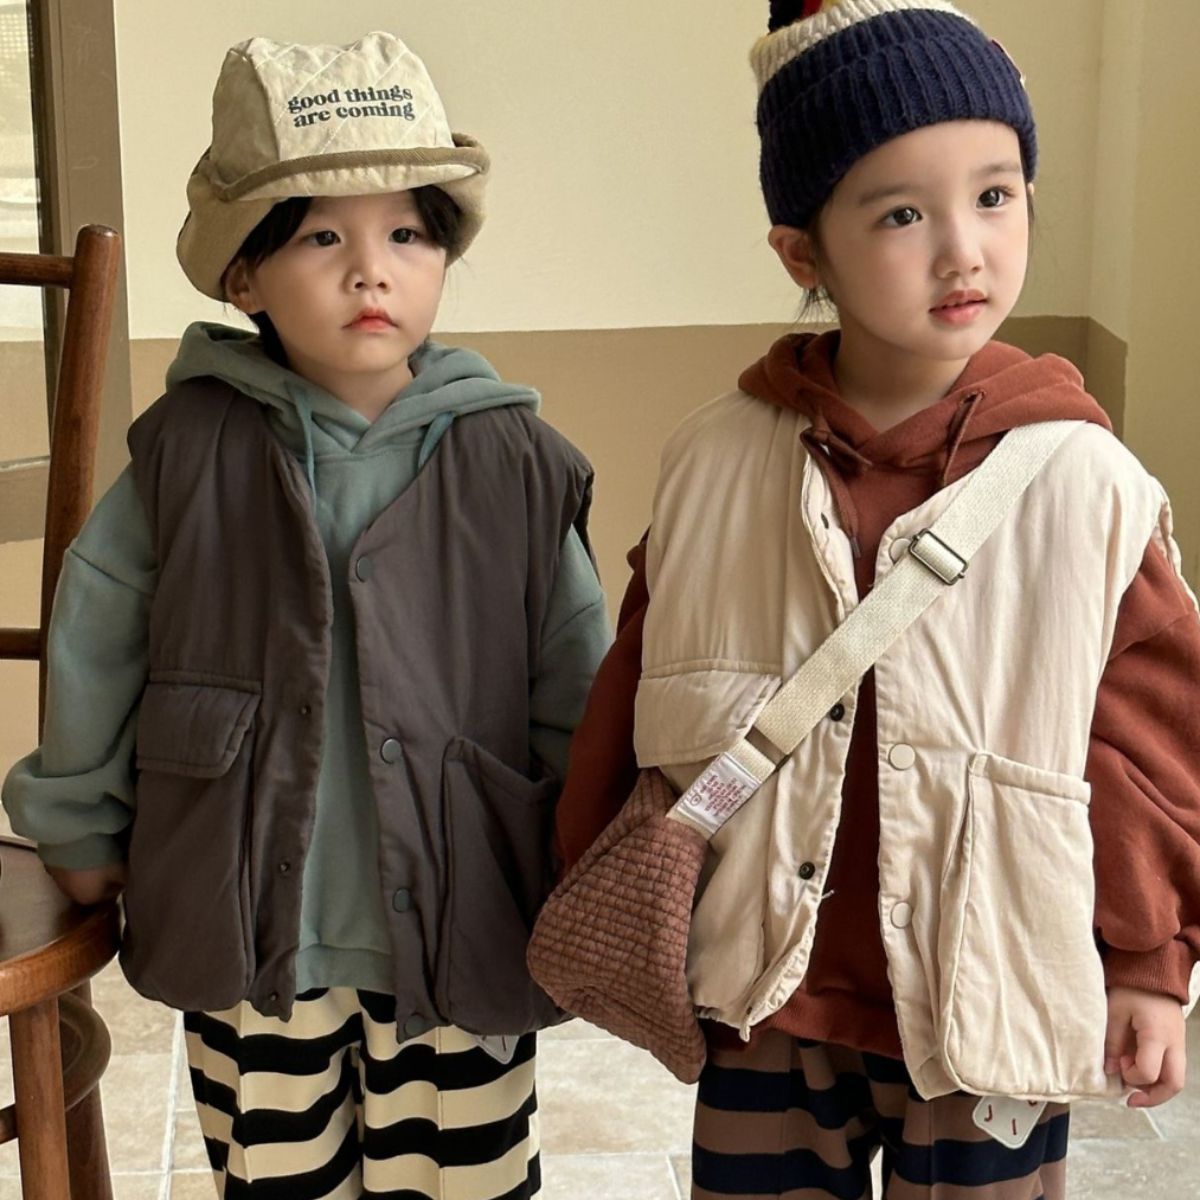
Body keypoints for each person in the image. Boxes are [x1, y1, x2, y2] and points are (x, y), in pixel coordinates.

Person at [553, 2, 1200, 1196]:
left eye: (995, 196)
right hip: (765, 992)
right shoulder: (714, 459)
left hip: (989, 996)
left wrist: (1150, 963)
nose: (964, 250)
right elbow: (638, 685)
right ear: (803, 253)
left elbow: (1149, 748)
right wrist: (602, 884)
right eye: (903, 213)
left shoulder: (1089, 484)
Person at [3, 30, 609, 1200]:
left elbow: (575, 680)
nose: (370, 272)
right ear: (244, 276)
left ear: (444, 256)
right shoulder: (185, 451)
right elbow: (95, 640)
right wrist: (78, 829)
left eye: (407, 235)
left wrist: (583, 851)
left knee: (467, 1178)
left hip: (465, 916)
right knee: (277, 1174)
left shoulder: (518, 462)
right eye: (323, 237)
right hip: (240, 918)